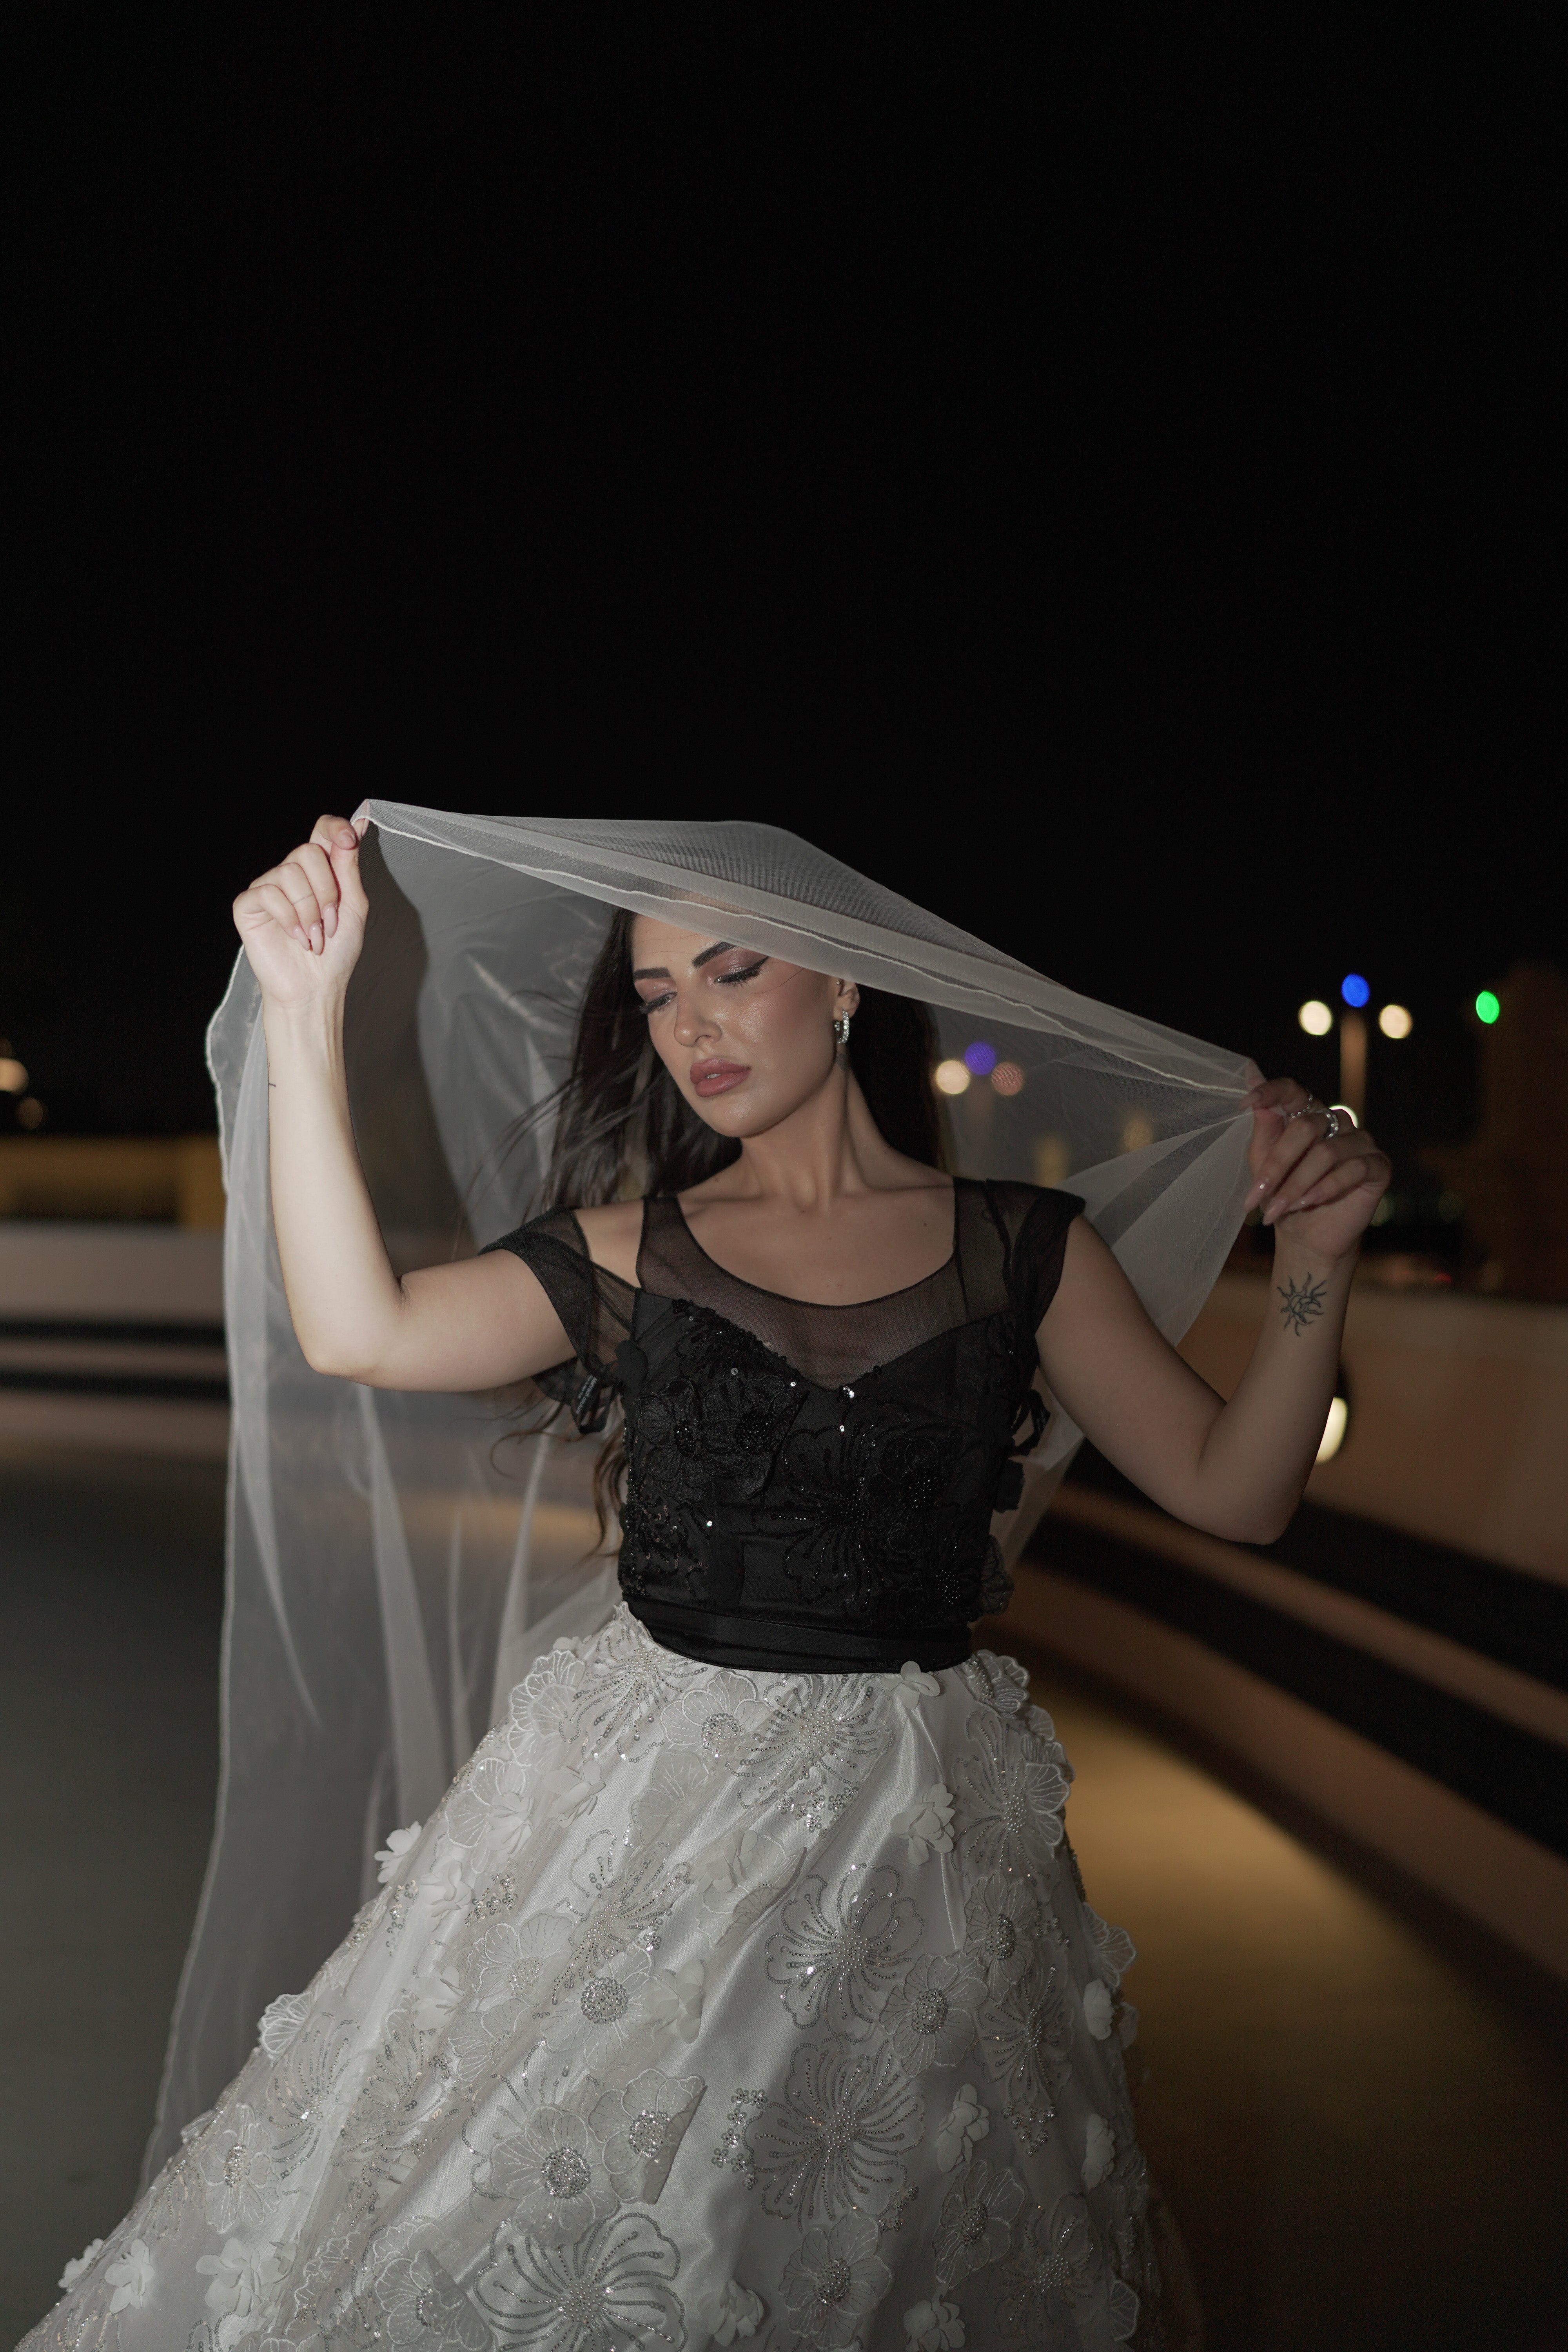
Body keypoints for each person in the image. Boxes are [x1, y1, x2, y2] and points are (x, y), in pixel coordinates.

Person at [27, 815, 1389, 2352]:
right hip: (652, 1800)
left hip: (918, 1822)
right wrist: (301, 1003)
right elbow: (362, 1333)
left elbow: (1236, 1491)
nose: (693, 1026)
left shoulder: (1025, 1249)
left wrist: (1317, 1261)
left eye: (733, 974)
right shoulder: (630, 1252)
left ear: (850, 986)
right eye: (662, 996)